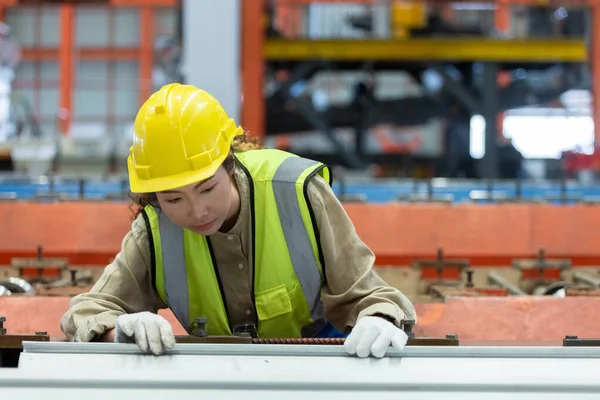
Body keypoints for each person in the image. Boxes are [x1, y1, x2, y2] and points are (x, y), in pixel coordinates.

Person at [60, 83, 417, 358]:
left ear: (230, 164)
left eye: (207, 188)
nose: (197, 211)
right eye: (173, 199)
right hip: (215, 369)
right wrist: (119, 330)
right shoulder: (154, 229)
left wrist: (379, 320)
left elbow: (370, 294)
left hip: (318, 357)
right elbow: (88, 311)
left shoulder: (298, 192)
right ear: (153, 197)